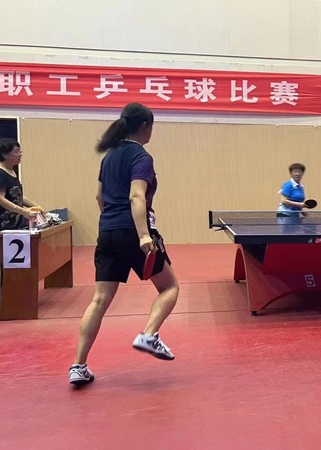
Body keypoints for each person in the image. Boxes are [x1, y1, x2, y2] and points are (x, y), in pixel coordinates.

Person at [69, 103, 180, 386]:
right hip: (133, 231)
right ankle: (149, 335)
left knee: (99, 300)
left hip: (107, 231)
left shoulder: (109, 157)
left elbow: (99, 197)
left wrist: (112, 222)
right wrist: (143, 235)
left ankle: (78, 366)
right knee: (169, 287)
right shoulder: (141, 156)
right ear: (144, 127)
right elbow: (136, 196)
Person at [0, 138, 42, 311]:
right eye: (17, 151)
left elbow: (17, 195)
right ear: (5, 154)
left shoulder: (11, 172)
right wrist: (23, 211)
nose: (20, 154)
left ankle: (13, 295)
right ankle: (0, 300)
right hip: (0, 225)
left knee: (10, 260)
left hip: (13, 224)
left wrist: (36, 206)